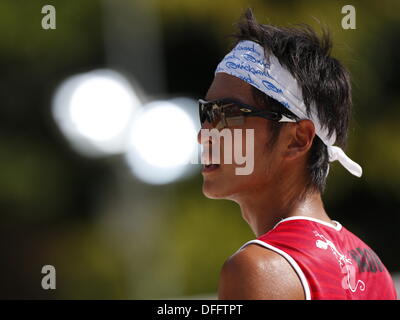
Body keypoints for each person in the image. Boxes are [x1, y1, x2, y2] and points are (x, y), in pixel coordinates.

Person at [197, 9, 397, 300]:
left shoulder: (258, 268)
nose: (204, 134)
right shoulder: (371, 266)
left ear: (298, 138)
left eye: (226, 114)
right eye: (205, 113)